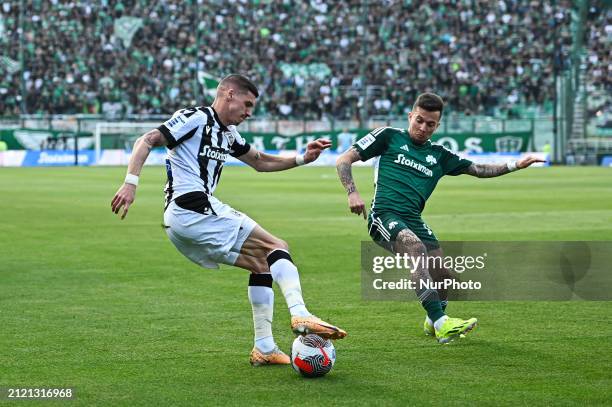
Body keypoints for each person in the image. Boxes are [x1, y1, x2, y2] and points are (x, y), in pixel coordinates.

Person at [111, 74, 346, 366]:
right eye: (247, 104)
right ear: (229, 94)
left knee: (261, 264)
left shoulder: (228, 134)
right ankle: (300, 312)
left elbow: (259, 161)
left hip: (185, 220)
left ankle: (264, 347)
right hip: (191, 206)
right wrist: (130, 182)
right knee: (276, 245)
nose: (249, 112)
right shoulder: (195, 118)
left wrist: (302, 159)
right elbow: (147, 139)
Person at [336, 92, 544, 344]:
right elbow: (344, 159)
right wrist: (352, 192)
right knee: (415, 248)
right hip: (385, 214)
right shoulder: (388, 136)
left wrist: (514, 165)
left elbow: (477, 169)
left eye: (430, 124)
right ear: (410, 116)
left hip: (413, 218)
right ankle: (442, 324)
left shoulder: (440, 155)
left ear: (437, 125)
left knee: (444, 276)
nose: (423, 128)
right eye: (419, 120)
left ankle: (433, 321)